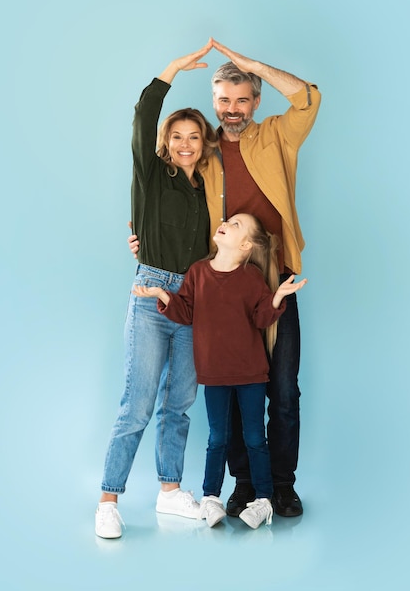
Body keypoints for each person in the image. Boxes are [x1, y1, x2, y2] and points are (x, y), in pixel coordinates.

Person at [129, 40, 321, 519]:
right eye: (223, 100)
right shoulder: (204, 152)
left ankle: (281, 485)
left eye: (241, 99)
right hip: (220, 288)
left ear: (255, 102)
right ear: (214, 102)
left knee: (283, 388)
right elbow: (167, 204)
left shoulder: (278, 136)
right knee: (235, 390)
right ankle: (244, 486)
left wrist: (255, 65)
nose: (231, 110)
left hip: (274, 280)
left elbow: (308, 98)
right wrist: (145, 240)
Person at [95, 41, 219, 539]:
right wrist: (172, 70)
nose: (186, 143)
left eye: (194, 136)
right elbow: (143, 117)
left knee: (180, 401)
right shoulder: (151, 176)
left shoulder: (209, 191)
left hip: (194, 301)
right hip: (150, 294)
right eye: (177, 135)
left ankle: (170, 492)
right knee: (138, 402)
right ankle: (108, 499)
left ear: (204, 143)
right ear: (165, 141)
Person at [134, 213, 307, 529]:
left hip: (252, 375)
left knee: (255, 438)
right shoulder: (198, 272)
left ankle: (264, 501)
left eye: (236, 224)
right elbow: (185, 311)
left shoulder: (251, 277)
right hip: (215, 375)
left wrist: (279, 296)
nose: (225, 222)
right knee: (217, 439)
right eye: (228, 219)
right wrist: (161, 294)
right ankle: (211, 497)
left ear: (245, 245)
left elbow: (261, 317)